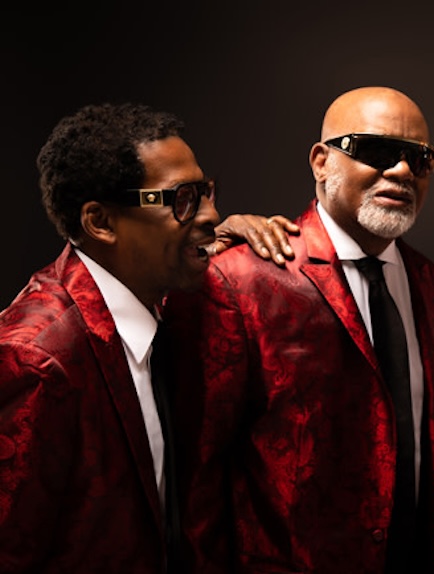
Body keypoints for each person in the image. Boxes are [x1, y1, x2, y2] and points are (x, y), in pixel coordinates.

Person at [164, 86, 434, 573]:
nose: (402, 171)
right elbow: (196, 478)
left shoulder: (433, 285)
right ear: (322, 161)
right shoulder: (239, 280)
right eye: (378, 151)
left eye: (419, 159)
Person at [0, 102, 220, 572]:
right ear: (100, 222)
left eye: (205, 192)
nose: (212, 215)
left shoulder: (163, 304)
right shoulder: (37, 361)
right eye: (182, 198)